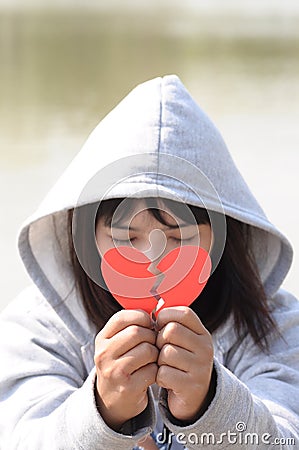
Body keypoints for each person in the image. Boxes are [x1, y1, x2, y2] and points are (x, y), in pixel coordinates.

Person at [0, 75, 298, 450]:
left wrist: (211, 403)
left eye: (177, 237)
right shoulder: (38, 329)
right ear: (86, 235)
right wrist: (103, 411)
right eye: (126, 237)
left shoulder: (275, 326)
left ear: (224, 237)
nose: (153, 260)